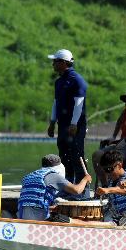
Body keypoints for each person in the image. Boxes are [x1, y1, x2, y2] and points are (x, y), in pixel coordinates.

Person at [46, 48, 88, 183]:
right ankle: (68, 184)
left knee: (77, 155)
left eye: (55, 61)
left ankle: (83, 188)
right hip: (63, 125)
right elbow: (56, 103)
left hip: (76, 125)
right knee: (64, 155)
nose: (53, 64)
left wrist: (74, 123)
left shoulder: (77, 80)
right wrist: (52, 123)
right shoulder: (59, 82)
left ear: (63, 62)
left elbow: (79, 103)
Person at [17, 154, 91, 221]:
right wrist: (85, 179)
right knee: (76, 221)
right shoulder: (53, 175)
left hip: (22, 216)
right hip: (39, 218)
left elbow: (34, 200)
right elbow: (77, 190)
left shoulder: (31, 175)